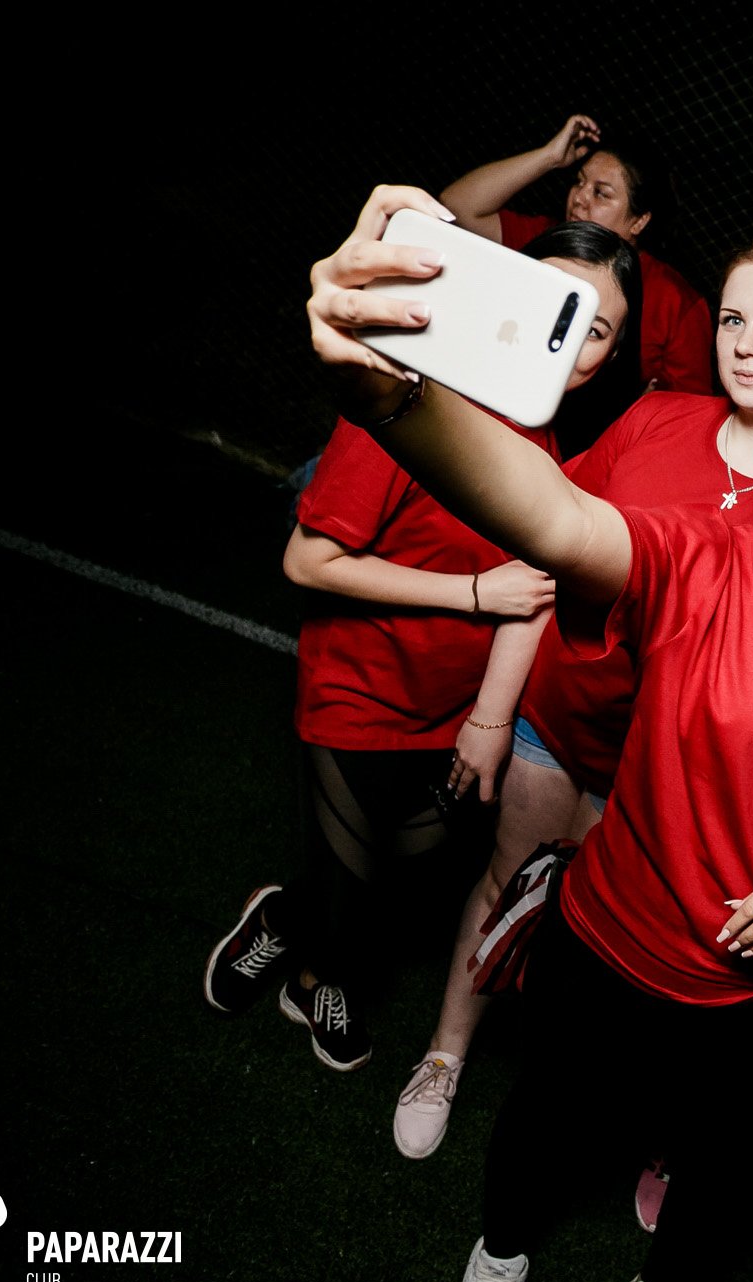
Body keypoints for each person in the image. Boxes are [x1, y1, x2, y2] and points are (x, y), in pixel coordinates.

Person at [306, 184, 753, 1282]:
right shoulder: (704, 559)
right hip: (605, 942)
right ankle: (497, 1264)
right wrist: (389, 393)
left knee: (715, 1167)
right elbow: (554, 517)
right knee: (543, 1127)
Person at [392, 232, 753, 1161]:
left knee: (599, 941)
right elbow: (550, 550)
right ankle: (445, 1053)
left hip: (664, 769)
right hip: (558, 717)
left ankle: (578, 1106)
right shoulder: (654, 419)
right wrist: (493, 712)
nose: (747, 343)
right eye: (733, 318)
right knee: (504, 880)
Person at [200, 221, 640, 1073]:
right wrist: (473, 592)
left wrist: (488, 717)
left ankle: (285, 916)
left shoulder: (555, 449)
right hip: (358, 688)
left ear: (613, 353)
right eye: (551, 307)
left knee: (397, 872)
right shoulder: (405, 403)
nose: (566, 344)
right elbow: (308, 560)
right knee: (355, 879)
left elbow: (536, 591)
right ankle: (314, 977)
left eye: (593, 329)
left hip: (452, 709)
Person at [442, 114, 713, 399]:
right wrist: (549, 157)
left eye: (601, 193)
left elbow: (691, 405)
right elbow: (457, 207)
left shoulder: (677, 302)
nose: (579, 198)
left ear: (639, 221)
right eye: (579, 182)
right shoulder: (546, 240)